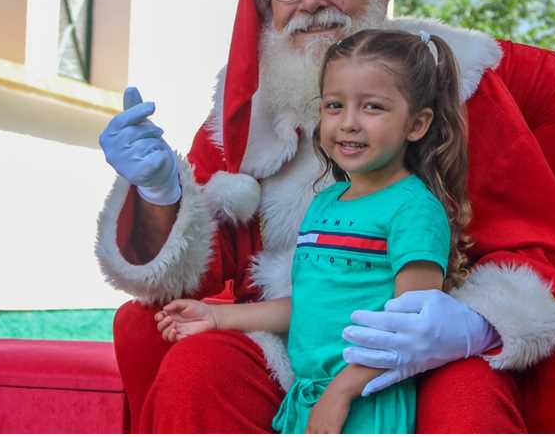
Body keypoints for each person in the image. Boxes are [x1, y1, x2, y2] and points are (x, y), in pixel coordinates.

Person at [96, 0, 555, 432]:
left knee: (467, 400)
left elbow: (542, 252)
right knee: (198, 369)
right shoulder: (245, 113)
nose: (309, 1)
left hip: (425, 346)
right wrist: (159, 193)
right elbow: (200, 273)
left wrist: (473, 324)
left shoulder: (455, 85)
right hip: (292, 340)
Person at [154, 28, 470, 434]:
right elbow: (307, 303)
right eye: (334, 105)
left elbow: (410, 331)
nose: (348, 123)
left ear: (417, 124)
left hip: (366, 401)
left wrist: (340, 393)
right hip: (309, 400)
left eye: (372, 107)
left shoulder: (414, 210)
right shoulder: (324, 202)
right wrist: (216, 316)